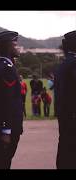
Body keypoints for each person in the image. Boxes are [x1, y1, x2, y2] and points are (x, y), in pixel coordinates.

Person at [0, 31, 23, 169]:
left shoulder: (3, 66)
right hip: (8, 128)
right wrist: (6, 130)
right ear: (8, 46)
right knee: (3, 163)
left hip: (5, 126)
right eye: (15, 44)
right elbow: (5, 101)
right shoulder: (6, 69)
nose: (18, 47)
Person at [55, 31, 76, 169]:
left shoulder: (63, 64)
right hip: (73, 114)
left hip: (64, 113)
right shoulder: (74, 63)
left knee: (65, 146)